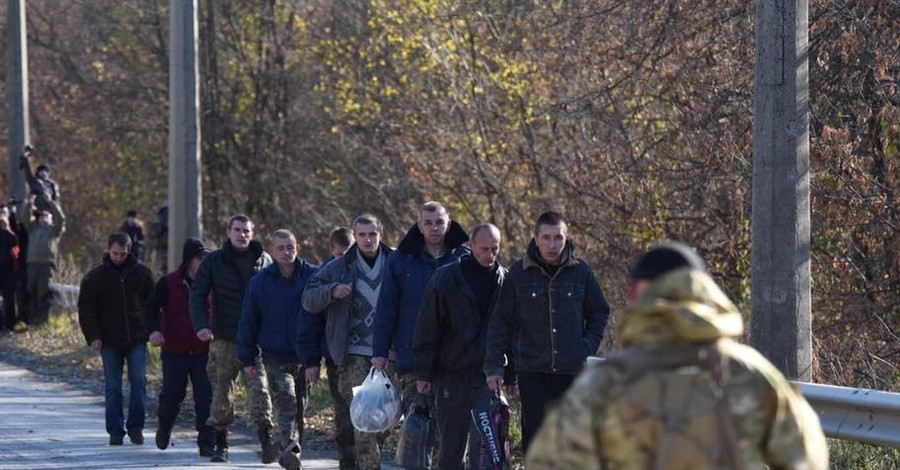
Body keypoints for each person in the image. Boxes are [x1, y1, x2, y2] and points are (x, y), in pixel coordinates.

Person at [525, 242, 829, 469]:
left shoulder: (605, 382)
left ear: (636, 295)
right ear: (706, 292)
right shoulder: (754, 375)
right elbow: (806, 460)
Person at [484, 211, 610, 453]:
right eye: (547, 238)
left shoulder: (581, 272)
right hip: (533, 370)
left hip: (571, 370)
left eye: (558, 238)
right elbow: (500, 323)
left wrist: (585, 347)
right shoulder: (518, 275)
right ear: (536, 238)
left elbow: (599, 313)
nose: (552, 245)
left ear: (566, 238)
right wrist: (495, 367)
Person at [413, 223, 514, 469]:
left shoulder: (506, 280)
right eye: (484, 249)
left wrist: (511, 375)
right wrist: (424, 372)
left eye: (495, 249)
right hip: (451, 375)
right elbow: (428, 327)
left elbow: (514, 332)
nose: (490, 255)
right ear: (470, 246)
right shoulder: (446, 278)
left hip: (488, 377)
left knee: (489, 448)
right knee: (451, 447)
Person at [303, 214, 395, 470]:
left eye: (372, 234)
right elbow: (308, 298)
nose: (367, 239)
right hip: (352, 353)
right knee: (364, 418)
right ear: (354, 236)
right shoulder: (340, 266)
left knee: (390, 416)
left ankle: (377, 446)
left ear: (381, 234)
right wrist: (331, 291)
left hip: (390, 352)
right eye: (362, 234)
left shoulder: (396, 262)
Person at [189, 214, 276, 463]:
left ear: (253, 232)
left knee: (260, 390)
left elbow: (275, 298)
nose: (242, 235)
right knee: (221, 394)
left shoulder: (265, 261)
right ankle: (221, 444)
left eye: (246, 231)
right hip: (223, 338)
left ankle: (266, 441)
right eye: (237, 230)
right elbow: (197, 294)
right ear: (229, 232)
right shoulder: (214, 261)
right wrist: (201, 326)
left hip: (255, 341)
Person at [238, 229, 323, 470]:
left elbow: (324, 316)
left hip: (306, 356)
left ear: (298, 248)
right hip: (275, 355)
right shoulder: (260, 282)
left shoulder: (313, 276)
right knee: (286, 400)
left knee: (298, 408)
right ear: (272, 251)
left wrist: (320, 353)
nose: (286, 252)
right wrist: (247, 358)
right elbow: (248, 321)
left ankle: (292, 450)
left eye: (290, 247)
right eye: (281, 248)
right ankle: (291, 452)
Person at [77, 232, 155, 446]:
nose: (118, 257)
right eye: (114, 253)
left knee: (139, 382)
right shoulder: (95, 277)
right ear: (108, 250)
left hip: (137, 338)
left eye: (122, 253)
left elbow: (153, 305)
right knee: (113, 386)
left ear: (129, 251)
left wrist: (154, 330)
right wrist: (93, 336)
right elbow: (86, 309)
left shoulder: (143, 274)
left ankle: (136, 427)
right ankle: (115, 430)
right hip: (108, 340)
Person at [143, 238, 215, 456]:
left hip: (204, 351)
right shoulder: (169, 282)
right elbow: (150, 309)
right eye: (199, 257)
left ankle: (206, 443)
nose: (204, 262)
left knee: (206, 398)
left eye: (206, 258)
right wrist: (154, 331)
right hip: (175, 351)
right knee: (172, 396)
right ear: (188, 260)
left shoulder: (213, 284)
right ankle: (164, 427)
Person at [24, 194, 65, 325]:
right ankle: (31, 320)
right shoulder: (32, 229)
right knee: (31, 292)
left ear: (51, 219)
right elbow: (25, 216)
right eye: (41, 216)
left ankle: (41, 322)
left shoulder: (54, 231)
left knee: (43, 292)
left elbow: (61, 219)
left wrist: (51, 202)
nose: (43, 218)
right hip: (32, 265)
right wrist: (30, 202)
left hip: (46, 266)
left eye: (46, 216)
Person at [0, 215, 19, 333]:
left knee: (9, 300)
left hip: (8, 272)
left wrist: (15, 269)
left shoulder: (12, 237)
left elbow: (16, 254)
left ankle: (10, 324)